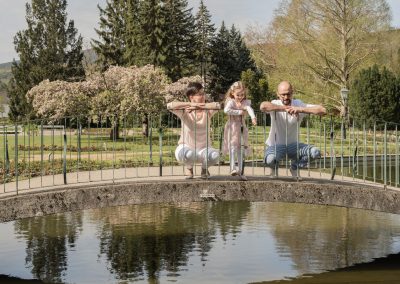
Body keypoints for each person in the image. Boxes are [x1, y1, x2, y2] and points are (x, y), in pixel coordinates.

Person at [260, 81, 326, 179]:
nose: (286, 97)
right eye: (283, 95)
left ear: (292, 92)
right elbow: (263, 106)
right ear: (278, 94)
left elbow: (322, 110)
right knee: (270, 160)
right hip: (276, 145)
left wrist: (300, 109)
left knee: (316, 152)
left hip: (294, 146)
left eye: (288, 94)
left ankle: (294, 167)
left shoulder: (298, 104)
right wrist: (284, 108)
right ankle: (274, 170)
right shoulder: (275, 103)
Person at [167, 82, 221, 179]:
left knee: (215, 155)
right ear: (191, 97)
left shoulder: (207, 111)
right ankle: (189, 168)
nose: (203, 96)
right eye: (200, 94)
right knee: (189, 154)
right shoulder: (184, 111)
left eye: (203, 93)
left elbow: (218, 105)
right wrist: (189, 104)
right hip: (186, 147)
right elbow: (170, 105)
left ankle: (204, 169)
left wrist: (199, 106)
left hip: (203, 149)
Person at [223, 81, 257, 181]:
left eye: (242, 95)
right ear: (233, 93)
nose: (240, 97)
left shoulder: (245, 102)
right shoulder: (231, 102)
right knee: (232, 147)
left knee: (240, 149)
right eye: (238, 95)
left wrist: (253, 117)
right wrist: (239, 112)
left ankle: (241, 171)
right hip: (232, 127)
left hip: (241, 128)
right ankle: (233, 168)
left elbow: (249, 109)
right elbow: (226, 110)